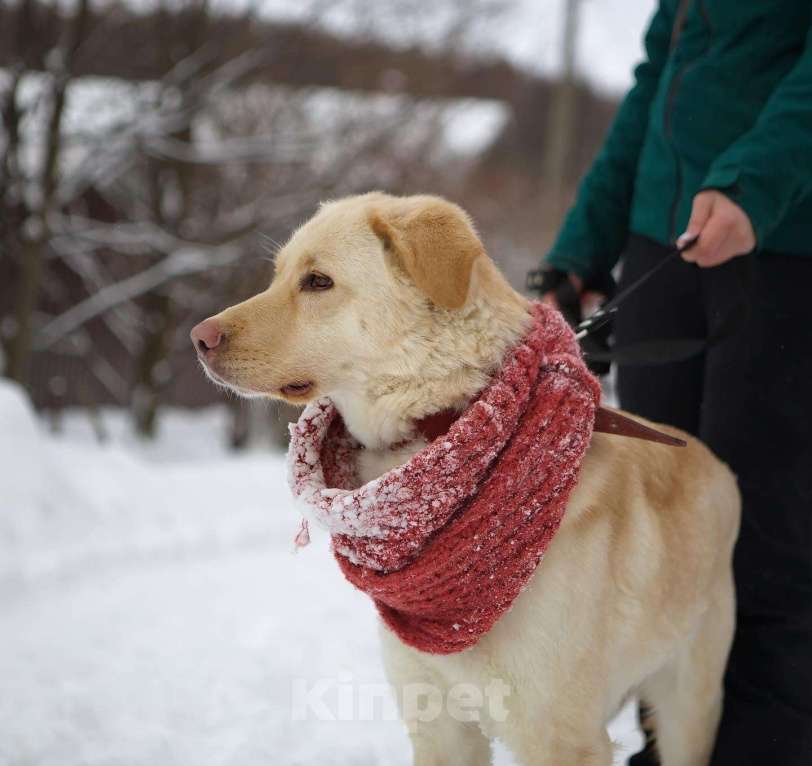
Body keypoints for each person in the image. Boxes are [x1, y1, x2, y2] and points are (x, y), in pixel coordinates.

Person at [531, 1, 812, 764]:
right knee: (660, 527)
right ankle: (672, 747)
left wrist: (755, 184)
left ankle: (762, 747)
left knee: (760, 536)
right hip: (662, 246)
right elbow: (658, 81)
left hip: (784, 247)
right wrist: (582, 248)